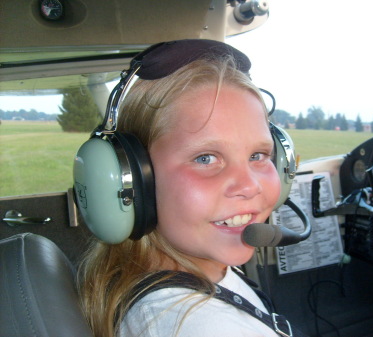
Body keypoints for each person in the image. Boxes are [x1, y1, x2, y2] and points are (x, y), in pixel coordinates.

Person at [77, 39, 300, 337]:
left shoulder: (171, 281)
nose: (249, 186)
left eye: (258, 156)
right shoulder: (203, 326)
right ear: (132, 180)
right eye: (206, 158)